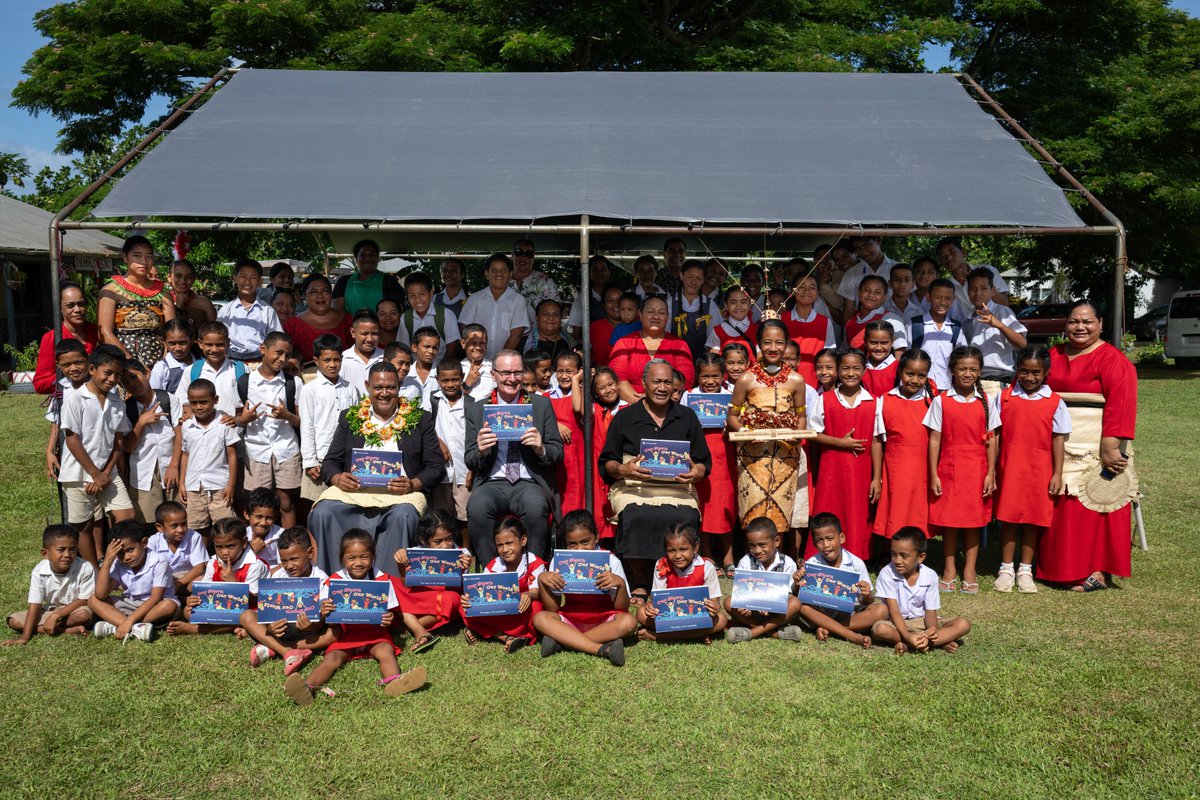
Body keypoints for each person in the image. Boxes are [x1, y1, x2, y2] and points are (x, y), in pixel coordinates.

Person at [310, 362, 444, 576]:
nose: (384, 393)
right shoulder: (350, 417)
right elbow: (330, 463)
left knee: (404, 516)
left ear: (399, 386)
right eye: (378, 388)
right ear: (367, 386)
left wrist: (412, 484)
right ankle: (334, 582)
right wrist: (337, 478)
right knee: (323, 512)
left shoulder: (420, 419)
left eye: (390, 387)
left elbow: (436, 467)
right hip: (354, 494)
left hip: (400, 495)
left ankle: (391, 588)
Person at [1041, 300, 1136, 592]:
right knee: (1060, 506)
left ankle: (1098, 569)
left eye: (1087, 322)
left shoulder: (1112, 359)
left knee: (1099, 502)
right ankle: (1057, 568)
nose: (1079, 327)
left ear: (1101, 324)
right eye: (1073, 321)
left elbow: (1121, 402)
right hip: (1056, 443)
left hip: (1097, 442)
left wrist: (1111, 445)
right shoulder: (1051, 355)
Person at [599, 359, 710, 597]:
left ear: (674, 386)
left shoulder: (687, 417)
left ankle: (677, 578)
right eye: (656, 381)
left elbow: (703, 462)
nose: (662, 387)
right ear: (644, 384)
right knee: (635, 514)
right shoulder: (625, 418)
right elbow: (606, 462)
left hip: (678, 488)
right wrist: (623, 469)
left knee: (685, 515)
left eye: (667, 382)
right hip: (633, 487)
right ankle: (641, 580)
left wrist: (696, 473)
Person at [285, 528, 427, 704]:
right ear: (342, 558)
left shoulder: (382, 580)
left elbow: (389, 613)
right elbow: (321, 613)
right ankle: (308, 688)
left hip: (375, 635)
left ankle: (394, 682)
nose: (358, 563)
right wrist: (323, 609)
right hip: (346, 635)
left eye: (364, 557)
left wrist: (388, 619)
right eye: (351, 558)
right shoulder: (334, 582)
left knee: (385, 651)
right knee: (332, 659)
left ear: (373, 556)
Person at [464, 350, 563, 564]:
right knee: (478, 507)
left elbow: (557, 453)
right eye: (506, 372)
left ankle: (534, 571)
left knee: (536, 506)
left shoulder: (540, 405)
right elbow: (469, 459)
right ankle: (493, 571)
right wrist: (480, 451)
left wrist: (541, 448)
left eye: (517, 372)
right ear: (493, 375)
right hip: (492, 481)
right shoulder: (478, 409)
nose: (512, 378)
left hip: (529, 481)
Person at [992, 345, 1070, 594]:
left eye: (1035, 372)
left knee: (1034, 519)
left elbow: (1058, 438)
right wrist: (993, 469)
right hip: (1010, 465)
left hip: (1040, 468)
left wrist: (1057, 473)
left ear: (1045, 372)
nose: (1029, 377)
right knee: (1009, 518)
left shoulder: (1055, 402)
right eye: (1024, 371)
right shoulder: (1003, 397)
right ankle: (1006, 568)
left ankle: (1025, 569)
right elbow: (994, 434)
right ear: (1017, 370)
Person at [925, 346, 999, 595]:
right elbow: (934, 438)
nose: (967, 374)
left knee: (973, 522)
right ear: (952, 371)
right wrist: (934, 473)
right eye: (962, 369)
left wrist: (990, 472)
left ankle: (969, 569)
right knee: (950, 521)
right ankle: (949, 568)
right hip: (949, 467)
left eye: (973, 369)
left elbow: (992, 439)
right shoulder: (941, 401)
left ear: (979, 372)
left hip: (977, 469)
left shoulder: (986, 401)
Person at [727, 321, 808, 536]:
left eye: (779, 343)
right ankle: (752, 562)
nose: (773, 348)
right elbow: (732, 416)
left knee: (781, 511)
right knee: (752, 509)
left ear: (786, 344)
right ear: (759, 344)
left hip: (786, 456)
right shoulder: (746, 379)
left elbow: (801, 417)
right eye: (767, 342)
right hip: (752, 457)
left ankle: (778, 563)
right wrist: (743, 431)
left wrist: (796, 436)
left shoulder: (796, 380)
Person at [59, 344, 135, 566]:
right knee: (84, 525)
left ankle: (118, 564)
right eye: (108, 373)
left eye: (118, 374)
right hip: (78, 474)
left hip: (108, 472)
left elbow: (118, 441)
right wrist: (93, 473)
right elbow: (72, 439)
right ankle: (93, 572)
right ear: (92, 370)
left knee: (126, 515)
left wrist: (105, 472)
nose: (112, 379)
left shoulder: (116, 402)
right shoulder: (76, 399)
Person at [533, 511, 636, 666]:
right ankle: (602, 649)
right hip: (570, 618)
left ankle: (564, 643)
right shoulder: (560, 562)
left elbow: (622, 609)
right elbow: (552, 609)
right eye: (572, 544)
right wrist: (542, 581)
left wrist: (619, 583)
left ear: (596, 536)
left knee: (628, 622)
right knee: (540, 618)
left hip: (604, 620)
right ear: (566, 543)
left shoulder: (611, 561)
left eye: (586, 542)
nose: (580, 549)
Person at [230, 331, 303, 529]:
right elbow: (235, 419)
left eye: (287, 355)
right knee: (258, 504)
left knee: (286, 503)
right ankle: (257, 548)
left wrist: (286, 416)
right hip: (256, 451)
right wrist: (244, 419)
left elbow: (302, 422)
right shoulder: (245, 382)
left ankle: (288, 544)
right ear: (263, 349)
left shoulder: (293, 382)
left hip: (286, 449)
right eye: (278, 353)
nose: (283, 359)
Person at [810, 349, 876, 559]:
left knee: (855, 511)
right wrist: (841, 443)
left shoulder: (874, 402)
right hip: (832, 467)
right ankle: (821, 556)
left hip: (861, 469)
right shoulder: (825, 399)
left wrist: (877, 477)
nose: (850, 373)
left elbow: (876, 440)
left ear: (864, 371)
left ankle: (854, 557)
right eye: (845, 368)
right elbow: (813, 433)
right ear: (838, 371)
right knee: (829, 508)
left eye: (856, 368)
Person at [240, 526, 334, 674]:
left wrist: (310, 626)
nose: (289, 566)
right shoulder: (278, 575)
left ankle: (275, 647)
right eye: (284, 561)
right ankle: (286, 652)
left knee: (334, 634)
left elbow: (321, 622)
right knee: (246, 615)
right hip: (280, 629)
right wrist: (270, 627)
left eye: (294, 559)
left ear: (310, 553)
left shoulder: (322, 580)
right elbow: (267, 611)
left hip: (306, 633)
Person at [871, 527, 971, 654]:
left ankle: (910, 645)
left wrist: (932, 629)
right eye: (893, 554)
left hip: (921, 621)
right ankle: (933, 643)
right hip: (895, 623)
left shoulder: (930, 576)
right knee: (880, 629)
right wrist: (907, 635)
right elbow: (894, 611)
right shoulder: (887, 573)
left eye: (903, 556)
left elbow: (930, 611)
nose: (897, 560)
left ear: (920, 557)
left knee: (963, 624)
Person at [797, 513, 888, 648]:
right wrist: (798, 583)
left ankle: (830, 628)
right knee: (801, 607)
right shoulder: (812, 563)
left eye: (829, 538)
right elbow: (805, 595)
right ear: (815, 543)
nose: (825, 545)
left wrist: (867, 594)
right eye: (819, 540)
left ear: (842, 538)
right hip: (821, 611)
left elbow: (868, 601)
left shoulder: (856, 563)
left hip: (850, 614)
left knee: (882, 610)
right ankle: (850, 635)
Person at [872, 349, 934, 539]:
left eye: (921, 375)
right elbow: (877, 440)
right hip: (895, 466)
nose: (914, 380)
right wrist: (876, 477)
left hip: (922, 467)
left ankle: (918, 554)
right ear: (900, 372)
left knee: (918, 511)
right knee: (897, 510)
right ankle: (895, 554)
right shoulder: (886, 400)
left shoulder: (932, 402)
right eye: (910, 374)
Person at [169, 518, 269, 636]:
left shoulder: (255, 565)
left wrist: (234, 582)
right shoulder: (214, 562)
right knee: (188, 611)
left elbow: (255, 600)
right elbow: (205, 591)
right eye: (219, 547)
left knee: (247, 617)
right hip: (222, 607)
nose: (224, 552)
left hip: (250, 609)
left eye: (230, 546)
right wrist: (195, 599)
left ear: (244, 542)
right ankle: (236, 626)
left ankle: (194, 629)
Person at [462, 516, 546, 652]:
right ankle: (504, 637)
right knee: (465, 609)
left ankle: (490, 633)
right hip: (499, 610)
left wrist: (528, 595)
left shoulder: (535, 563)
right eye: (500, 545)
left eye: (509, 543)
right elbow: (481, 592)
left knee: (536, 609)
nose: (505, 550)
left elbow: (535, 591)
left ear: (523, 540)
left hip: (522, 610)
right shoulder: (493, 566)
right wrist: (468, 600)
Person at [392, 510, 472, 652]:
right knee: (389, 582)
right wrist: (401, 562)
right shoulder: (416, 552)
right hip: (421, 598)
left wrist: (464, 568)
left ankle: (409, 627)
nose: (445, 545)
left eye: (448, 538)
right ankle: (416, 629)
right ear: (424, 541)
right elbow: (406, 584)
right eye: (438, 541)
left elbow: (463, 588)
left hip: (443, 602)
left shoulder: (461, 553)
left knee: (453, 599)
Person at [685, 354, 736, 574]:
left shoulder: (731, 396)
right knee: (703, 506)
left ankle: (728, 557)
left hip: (726, 455)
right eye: (705, 376)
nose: (710, 381)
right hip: (699, 456)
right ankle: (707, 555)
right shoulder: (689, 397)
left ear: (723, 376)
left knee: (726, 505)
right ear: (698, 377)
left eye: (715, 376)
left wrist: (731, 426)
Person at [89, 519, 180, 642]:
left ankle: (120, 625)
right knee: (93, 599)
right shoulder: (118, 563)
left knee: (168, 606)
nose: (126, 557)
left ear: (144, 543)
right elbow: (101, 594)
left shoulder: (159, 561)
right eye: (120, 553)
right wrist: (107, 561)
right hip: (131, 604)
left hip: (155, 606)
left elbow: (155, 598)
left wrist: (129, 621)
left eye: (130, 550)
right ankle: (136, 628)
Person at [5, 524, 95, 644]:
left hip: (75, 610)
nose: (67, 554)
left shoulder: (85, 568)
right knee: (13, 621)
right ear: (45, 554)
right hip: (50, 611)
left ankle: (48, 626)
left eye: (72, 549)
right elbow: (35, 605)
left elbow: (84, 600)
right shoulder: (39, 571)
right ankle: (65, 630)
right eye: (61, 550)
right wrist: (24, 637)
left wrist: (56, 616)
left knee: (83, 615)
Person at [299, 335, 361, 510]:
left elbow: (357, 425)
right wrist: (310, 461)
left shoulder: (351, 389)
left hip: (345, 459)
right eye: (327, 360)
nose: (332, 365)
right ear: (316, 360)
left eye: (336, 360)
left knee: (345, 505)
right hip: (319, 458)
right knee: (318, 506)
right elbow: (307, 426)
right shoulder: (310, 390)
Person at [637, 524, 726, 644]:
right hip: (670, 618)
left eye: (683, 549)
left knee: (721, 620)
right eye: (671, 551)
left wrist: (714, 608)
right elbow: (656, 600)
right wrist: (650, 608)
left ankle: (658, 636)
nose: (678, 555)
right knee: (641, 613)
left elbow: (715, 601)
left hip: (697, 618)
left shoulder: (706, 567)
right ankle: (699, 635)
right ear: (665, 550)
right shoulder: (661, 565)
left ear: (695, 547)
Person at [119, 358, 182, 524]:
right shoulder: (126, 408)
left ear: (147, 373)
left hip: (171, 467)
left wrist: (174, 466)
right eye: (125, 382)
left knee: (177, 517)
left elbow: (180, 433)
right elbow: (128, 446)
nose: (131, 383)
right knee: (148, 521)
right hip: (143, 472)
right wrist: (141, 422)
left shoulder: (168, 399)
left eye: (134, 377)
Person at [724, 517, 804, 643]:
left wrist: (770, 605)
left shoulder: (788, 563)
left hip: (777, 612)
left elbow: (789, 594)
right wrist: (743, 606)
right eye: (752, 546)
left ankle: (751, 633)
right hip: (752, 612)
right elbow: (740, 592)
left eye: (762, 545)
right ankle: (775, 632)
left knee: (795, 602)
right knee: (729, 602)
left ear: (776, 541)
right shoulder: (746, 561)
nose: (757, 550)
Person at [98, 235, 174, 366]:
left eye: (149, 256)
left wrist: (165, 361)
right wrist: (130, 362)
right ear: (125, 257)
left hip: (160, 362)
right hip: (122, 363)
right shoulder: (110, 291)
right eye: (137, 256)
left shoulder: (163, 292)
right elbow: (104, 332)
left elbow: (172, 330)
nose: (143, 261)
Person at [179, 378, 240, 538]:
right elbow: (185, 454)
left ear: (215, 400)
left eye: (203, 402)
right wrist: (182, 482)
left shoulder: (224, 423)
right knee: (198, 530)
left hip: (219, 486)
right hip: (194, 486)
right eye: (194, 403)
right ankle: (203, 561)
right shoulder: (187, 426)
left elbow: (232, 455)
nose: (198, 407)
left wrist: (231, 484)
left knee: (226, 528)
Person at [610, 296, 695, 403]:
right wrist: (642, 404)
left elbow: (685, 380)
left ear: (667, 317)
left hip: (669, 407)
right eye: (650, 312)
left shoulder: (679, 345)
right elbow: (617, 379)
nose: (656, 316)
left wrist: (660, 404)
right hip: (631, 406)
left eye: (661, 313)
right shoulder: (624, 343)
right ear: (640, 315)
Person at [956, 267, 1027, 390]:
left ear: (993, 290)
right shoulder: (967, 320)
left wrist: (998, 324)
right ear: (967, 292)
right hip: (974, 378)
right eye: (973, 289)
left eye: (984, 288)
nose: (978, 293)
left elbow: (1022, 343)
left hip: (999, 378)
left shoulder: (1002, 311)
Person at [458, 253, 529, 359]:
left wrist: (500, 360)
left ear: (510, 274)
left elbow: (517, 334)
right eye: (494, 270)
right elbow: (465, 329)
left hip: (505, 361)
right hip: (476, 359)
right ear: (487, 274)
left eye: (503, 270)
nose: (499, 274)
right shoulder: (474, 299)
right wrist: (476, 355)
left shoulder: (518, 300)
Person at [34, 282, 99, 395]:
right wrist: (69, 373)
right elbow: (40, 384)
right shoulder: (51, 338)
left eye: (81, 304)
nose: (77, 309)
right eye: (70, 306)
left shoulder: (98, 332)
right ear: (59, 308)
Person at [429, 360, 472, 525]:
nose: (450, 384)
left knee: (465, 516)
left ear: (462, 377)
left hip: (464, 469)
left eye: (455, 379)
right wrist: (438, 441)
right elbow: (424, 426)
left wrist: (473, 468)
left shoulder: (470, 404)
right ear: (437, 379)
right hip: (442, 471)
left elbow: (476, 437)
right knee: (442, 516)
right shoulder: (433, 401)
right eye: (445, 381)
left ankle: (466, 548)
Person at [174, 321, 246, 420]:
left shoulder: (240, 369)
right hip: (201, 430)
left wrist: (237, 419)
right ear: (200, 344)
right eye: (209, 345)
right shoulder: (192, 371)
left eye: (219, 345)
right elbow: (181, 398)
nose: (214, 349)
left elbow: (249, 401)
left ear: (228, 343)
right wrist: (188, 411)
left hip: (233, 430)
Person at [217, 259, 282, 362]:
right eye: (243, 276)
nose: (247, 281)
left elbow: (276, 340)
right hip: (231, 361)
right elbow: (218, 339)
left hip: (260, 361)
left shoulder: (268, 311)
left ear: (260, 281)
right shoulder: (225, 311)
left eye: (253, 277)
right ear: (235, 278)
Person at [589, 367, 626, 544]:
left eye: (610, 384)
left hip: (622, 466)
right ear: (595, 394)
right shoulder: (593, 411)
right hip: (598, 467)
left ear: (618, 385)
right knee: (601, 510)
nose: (607, 390)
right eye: (601, 388)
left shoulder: (629, 409)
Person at [547, 352, 586, 515]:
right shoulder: (546, 396)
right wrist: (555, 424)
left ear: (579, 371)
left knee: (576, 498)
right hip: (556, 458)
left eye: (569, 372)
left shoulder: (585, 394)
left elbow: (579, 409)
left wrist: (577, 381)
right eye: (560, 371)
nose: (563, 376)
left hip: (578, 455)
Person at [283, 274, 353, 364]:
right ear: (304, 296)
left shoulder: (348, 320)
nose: (320, 296)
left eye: (325, 291)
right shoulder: (292, 325)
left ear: (331, 294)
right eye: (313, 292)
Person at [781, 274, 837, 387]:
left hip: (816, 384)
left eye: (812, 287)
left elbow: (829, 356)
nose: (806, 291)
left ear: (817, 294)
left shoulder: (825, 322)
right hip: (784, 383)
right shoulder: (781, 320)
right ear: (793, 291)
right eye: (801, 287)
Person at [935, 237, 1010, 322]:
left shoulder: (989, 270)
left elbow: (1005, 304)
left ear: (963, 252)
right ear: (940, 262)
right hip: (972, 330)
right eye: (943, 256)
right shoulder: (947, 286)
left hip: (997, 324)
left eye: (952, 253)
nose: (949, 258)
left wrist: (979, 281)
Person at [146, 500, 207, 599]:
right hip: (162, 580)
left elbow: (199, 568)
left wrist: (177, 585)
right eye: (174, 526)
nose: (180, 530)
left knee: (202, 580)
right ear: (160, 527)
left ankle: (176, 596)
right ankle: (176, 598)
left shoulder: (194, 537)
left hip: (186, 579)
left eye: (184, 524)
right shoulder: (153, 541)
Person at [909, 278, 961, 392]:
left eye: (947, 298)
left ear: (953, 299)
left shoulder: (956, 328)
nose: (942, 302)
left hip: (946, 387)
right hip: (917, 387)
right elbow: (904, 356)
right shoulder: (915, 325)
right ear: (928, 297)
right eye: (938, 297)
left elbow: (960, 359)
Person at [331, 239, 405, 315]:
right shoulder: (344, 281)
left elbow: (396, 310)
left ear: (378, 259)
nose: (367, 258)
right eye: (363, 255)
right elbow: (337, 310)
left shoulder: (389, 281)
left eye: (372, 255)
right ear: (356, 259)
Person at [667, 260, 716, 363]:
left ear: (703, 280)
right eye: (689, 277)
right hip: (674, 359)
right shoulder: (670, 303)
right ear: (681, 276)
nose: (694, 282)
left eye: (698, 278)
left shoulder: (710, 304)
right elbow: (664, 335)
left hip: (702, 361)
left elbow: (715, 338)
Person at [836, 236, 896, 320]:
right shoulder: (851, 274)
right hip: (862, 329)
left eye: (866, 245)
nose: (863, 252)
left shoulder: (897, 270)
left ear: (878, 240)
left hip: (895, 325)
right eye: (858, 248)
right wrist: (848, 332)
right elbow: (848, 314)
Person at [845, 275, 907, 351]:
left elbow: (899, 352)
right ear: (859, 292)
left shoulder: (892, 319)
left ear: (884, 297)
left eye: (877, 292)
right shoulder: (850, 322)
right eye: (867, 290)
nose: (871, 295)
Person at [509, 238, 560, 324]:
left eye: (528, 254)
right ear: (512, 255)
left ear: (533, 257)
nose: (523, 257)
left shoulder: (545, 281)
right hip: (506, 335)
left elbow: (555, 313)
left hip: (537, 336)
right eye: (519, 252)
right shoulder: (501, 280)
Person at [566, 255, 614, 341]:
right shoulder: (582, 299)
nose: (599, 273)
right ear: (588, 273)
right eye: (595, 270)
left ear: (609, 272)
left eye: (603, 269)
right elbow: (576, 333)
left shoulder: (617, 295)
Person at [339, 310, 385, 392]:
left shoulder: (386, 357)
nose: (370, 339)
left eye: (374, 334)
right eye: (364, 334)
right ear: (353, 332)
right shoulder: (342, 359)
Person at [706, 285, 758, 355]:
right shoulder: (717, 332)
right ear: (726, 305)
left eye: (743, 302)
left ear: (749, 305)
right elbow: (713, 361)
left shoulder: (758, 330)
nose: (738, 306)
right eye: (733, 302)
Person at [168, 259, 217, 332]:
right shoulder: (165, 300)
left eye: (188, 277)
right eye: (178, 276)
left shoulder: (203, 302)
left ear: (193, 280)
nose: (183, 281)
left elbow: (215, 331)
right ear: (169, 277)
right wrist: (178, 307)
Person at [149, 319, 195, 394]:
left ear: (192, 340)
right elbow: (154, 397)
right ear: (164, 342)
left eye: (182, 343)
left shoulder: (201, 363)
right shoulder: (161, 368)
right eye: (172, 344)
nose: (178, 348)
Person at [522, 299, 574, 364]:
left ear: (561, 318)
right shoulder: (523, 343)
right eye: (545, 314)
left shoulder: (570, 343)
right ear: (537, 318)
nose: (551, 318)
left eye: (555, 314)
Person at [883, 262, 925, 341]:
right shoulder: (882, 309)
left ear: (913, 284)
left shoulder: (918, 312)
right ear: (890, 284)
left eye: (907, 280)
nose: (902, 284)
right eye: (897, 280)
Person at [242, 487, 284, 566]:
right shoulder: (241, 536)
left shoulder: (281, 536)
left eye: (269, 518)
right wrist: (252, 550)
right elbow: (235, 565)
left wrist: (266, 575)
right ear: (247, 514)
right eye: (259, 517)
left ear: (275, 517)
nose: (263, 523)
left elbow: (285, 565)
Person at [404, 326, 443, 410]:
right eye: (426, 346)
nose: (431, 351)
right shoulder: (405, 373)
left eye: (435, 348)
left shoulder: (442, 373)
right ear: (414, 347)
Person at [588, 282, 625, 366]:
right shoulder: (596, 328)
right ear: (604, 306)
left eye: (619, 300)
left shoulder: (638, 325)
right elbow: (599, 362)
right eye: (610, 301)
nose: (616, 304)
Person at [861, 321, 899, 398]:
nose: (878, 348)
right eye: (873, 343)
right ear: (865, 341)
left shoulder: (899, 368)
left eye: (884, 343)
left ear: (892, 342)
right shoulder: (858, 367)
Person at [459, 323, 496, 401]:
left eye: (482, 343)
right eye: (473, 343)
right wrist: (467, 384)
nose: (478, 347)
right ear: (463, 343)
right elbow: (452, 398)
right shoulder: (457, 368)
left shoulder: (495, 367)